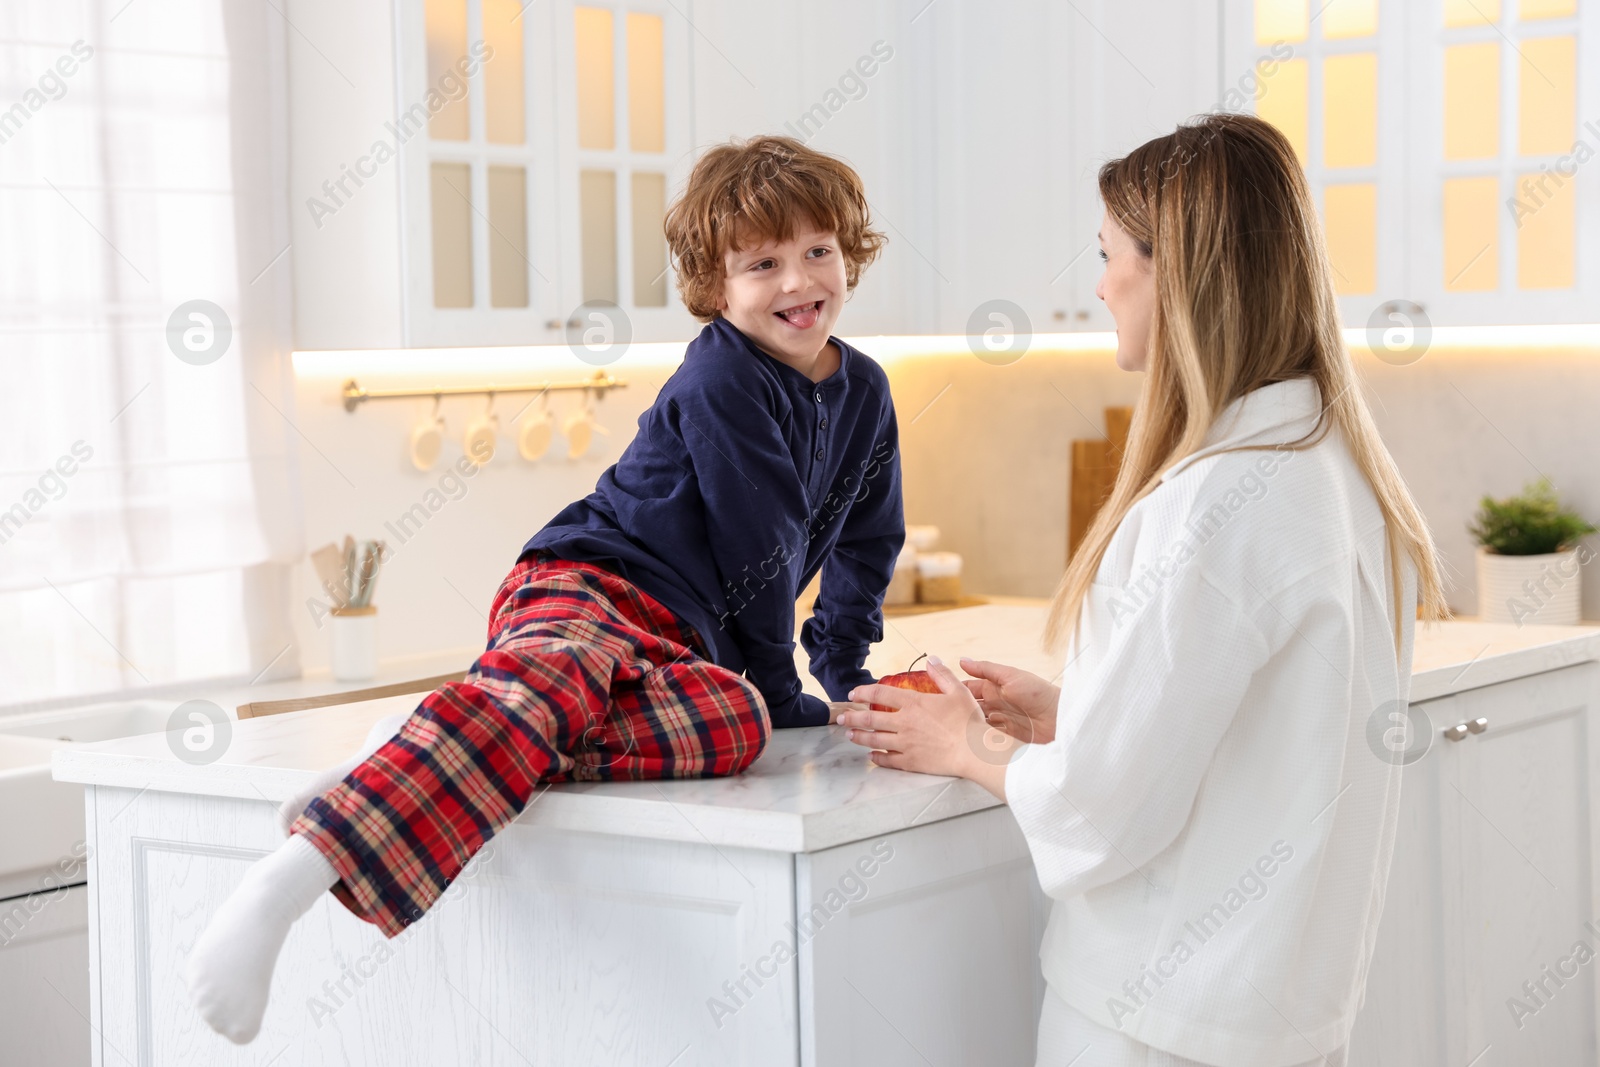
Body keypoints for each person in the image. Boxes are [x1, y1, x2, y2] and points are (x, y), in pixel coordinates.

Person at [184, 134, 904, 1045]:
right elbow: (763, 547)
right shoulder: (724, 374)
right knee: (574, 683)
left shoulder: (867, 390)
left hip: (677, 647)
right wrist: (781, 681)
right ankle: (294, 873)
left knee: (734, 724)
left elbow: (868, 538)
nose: (800, 280)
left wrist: (843, 677)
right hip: (589, 587)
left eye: (818, 251)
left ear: (849, 254)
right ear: (716, 291)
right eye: (763, 263)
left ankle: (423, 748)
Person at [839, 113, 1449, 1067]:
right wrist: (1079, 709)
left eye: (1108, 251)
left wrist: (967, 743)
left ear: (1175, 272)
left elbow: (1098, 814)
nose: (1098, 281)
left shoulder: (1214, 499)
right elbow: (1252, 728)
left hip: (1153, 1022)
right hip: (1275, 1019)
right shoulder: (1332, 467)